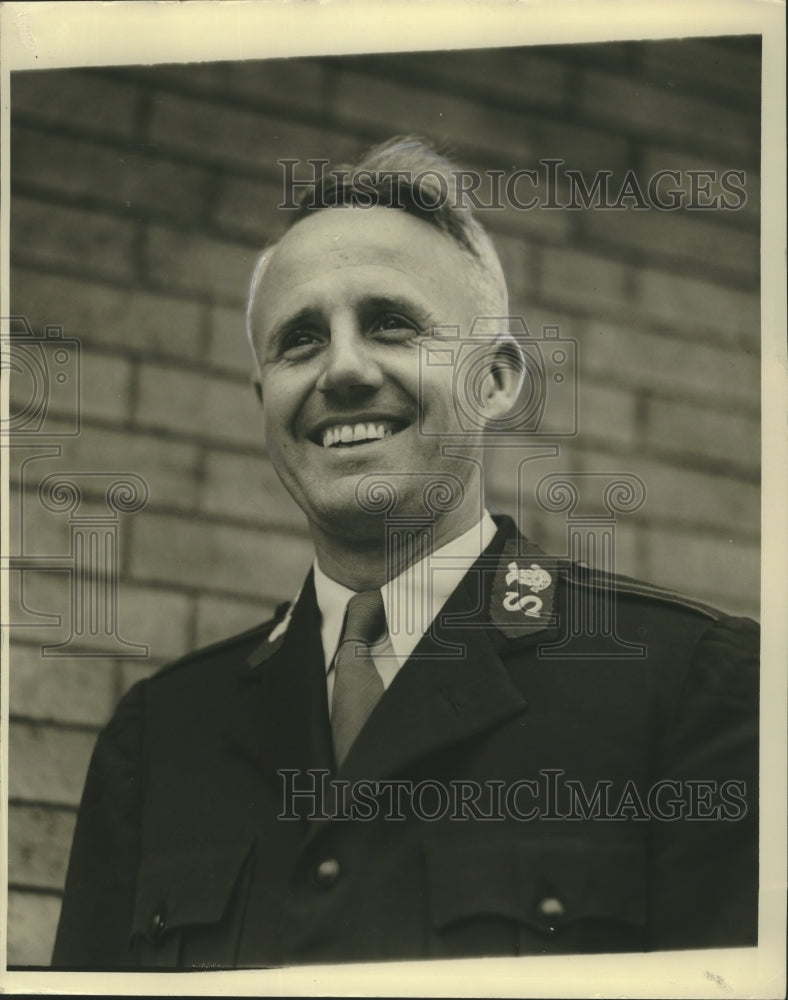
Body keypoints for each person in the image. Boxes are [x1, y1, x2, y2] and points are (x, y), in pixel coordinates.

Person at [51, 137, 759, 969]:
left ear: (494, 381)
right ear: (263, 401)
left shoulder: (687, 688)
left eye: (391, 324)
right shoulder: (160, 737)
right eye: (300, 340)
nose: (343, 370)